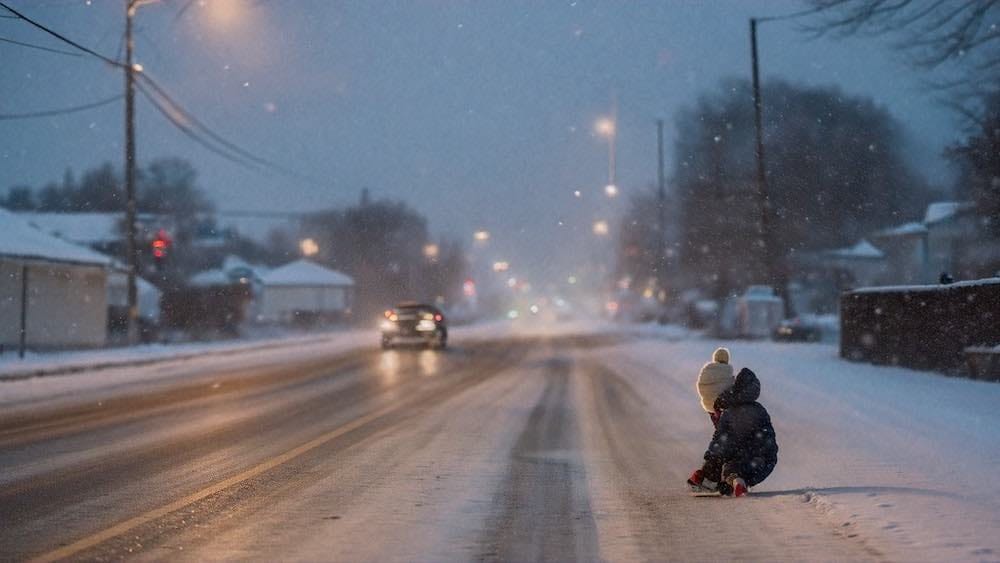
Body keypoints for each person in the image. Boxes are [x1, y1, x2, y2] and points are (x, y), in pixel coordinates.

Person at [688, 367, 778, 497]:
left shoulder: (729, 412)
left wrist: (711, 458)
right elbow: (768, 438)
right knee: (734, 466)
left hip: (746, 456)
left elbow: (720, 440)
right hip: (763, 459)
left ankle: (708, 476)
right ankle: (734, 482)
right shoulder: (760, 410)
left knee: (725, 464)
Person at [696, 347, 734, 429]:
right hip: (722, 406)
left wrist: (708, 397)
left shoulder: (706, 370)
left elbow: (700, 386)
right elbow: (730, 388)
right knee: (724, 431)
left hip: (709, 406)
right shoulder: (727, 371)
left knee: (719, 430)